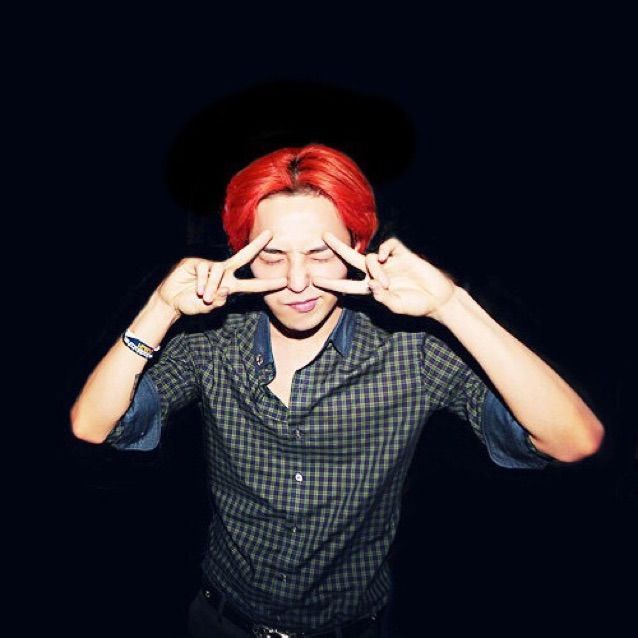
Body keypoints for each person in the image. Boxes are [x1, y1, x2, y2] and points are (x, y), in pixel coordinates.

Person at [70, 143, 604, 638]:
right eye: (272, 255)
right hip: (220, 619)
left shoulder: (411, 351)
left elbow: (574, 440)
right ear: (243, 254)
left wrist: (451, 305)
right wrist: (161, 309)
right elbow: (93, 425)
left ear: (357, 246)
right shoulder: (212, 341)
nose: (297, 281)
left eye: (321, 253)